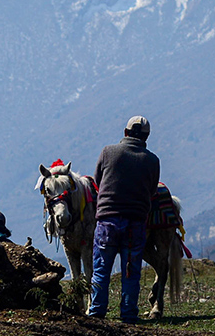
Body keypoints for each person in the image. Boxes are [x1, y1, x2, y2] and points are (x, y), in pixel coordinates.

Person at [88, 115, 160, 323]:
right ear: (146, 137)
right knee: (131, 272)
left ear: (125, 132)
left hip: (107, 222)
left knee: (101, 269)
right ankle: (128, 314)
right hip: (135, 223)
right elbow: (152, 190)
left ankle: (96, 312)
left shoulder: (108, 152)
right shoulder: (152, 160)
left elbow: (97, 181)